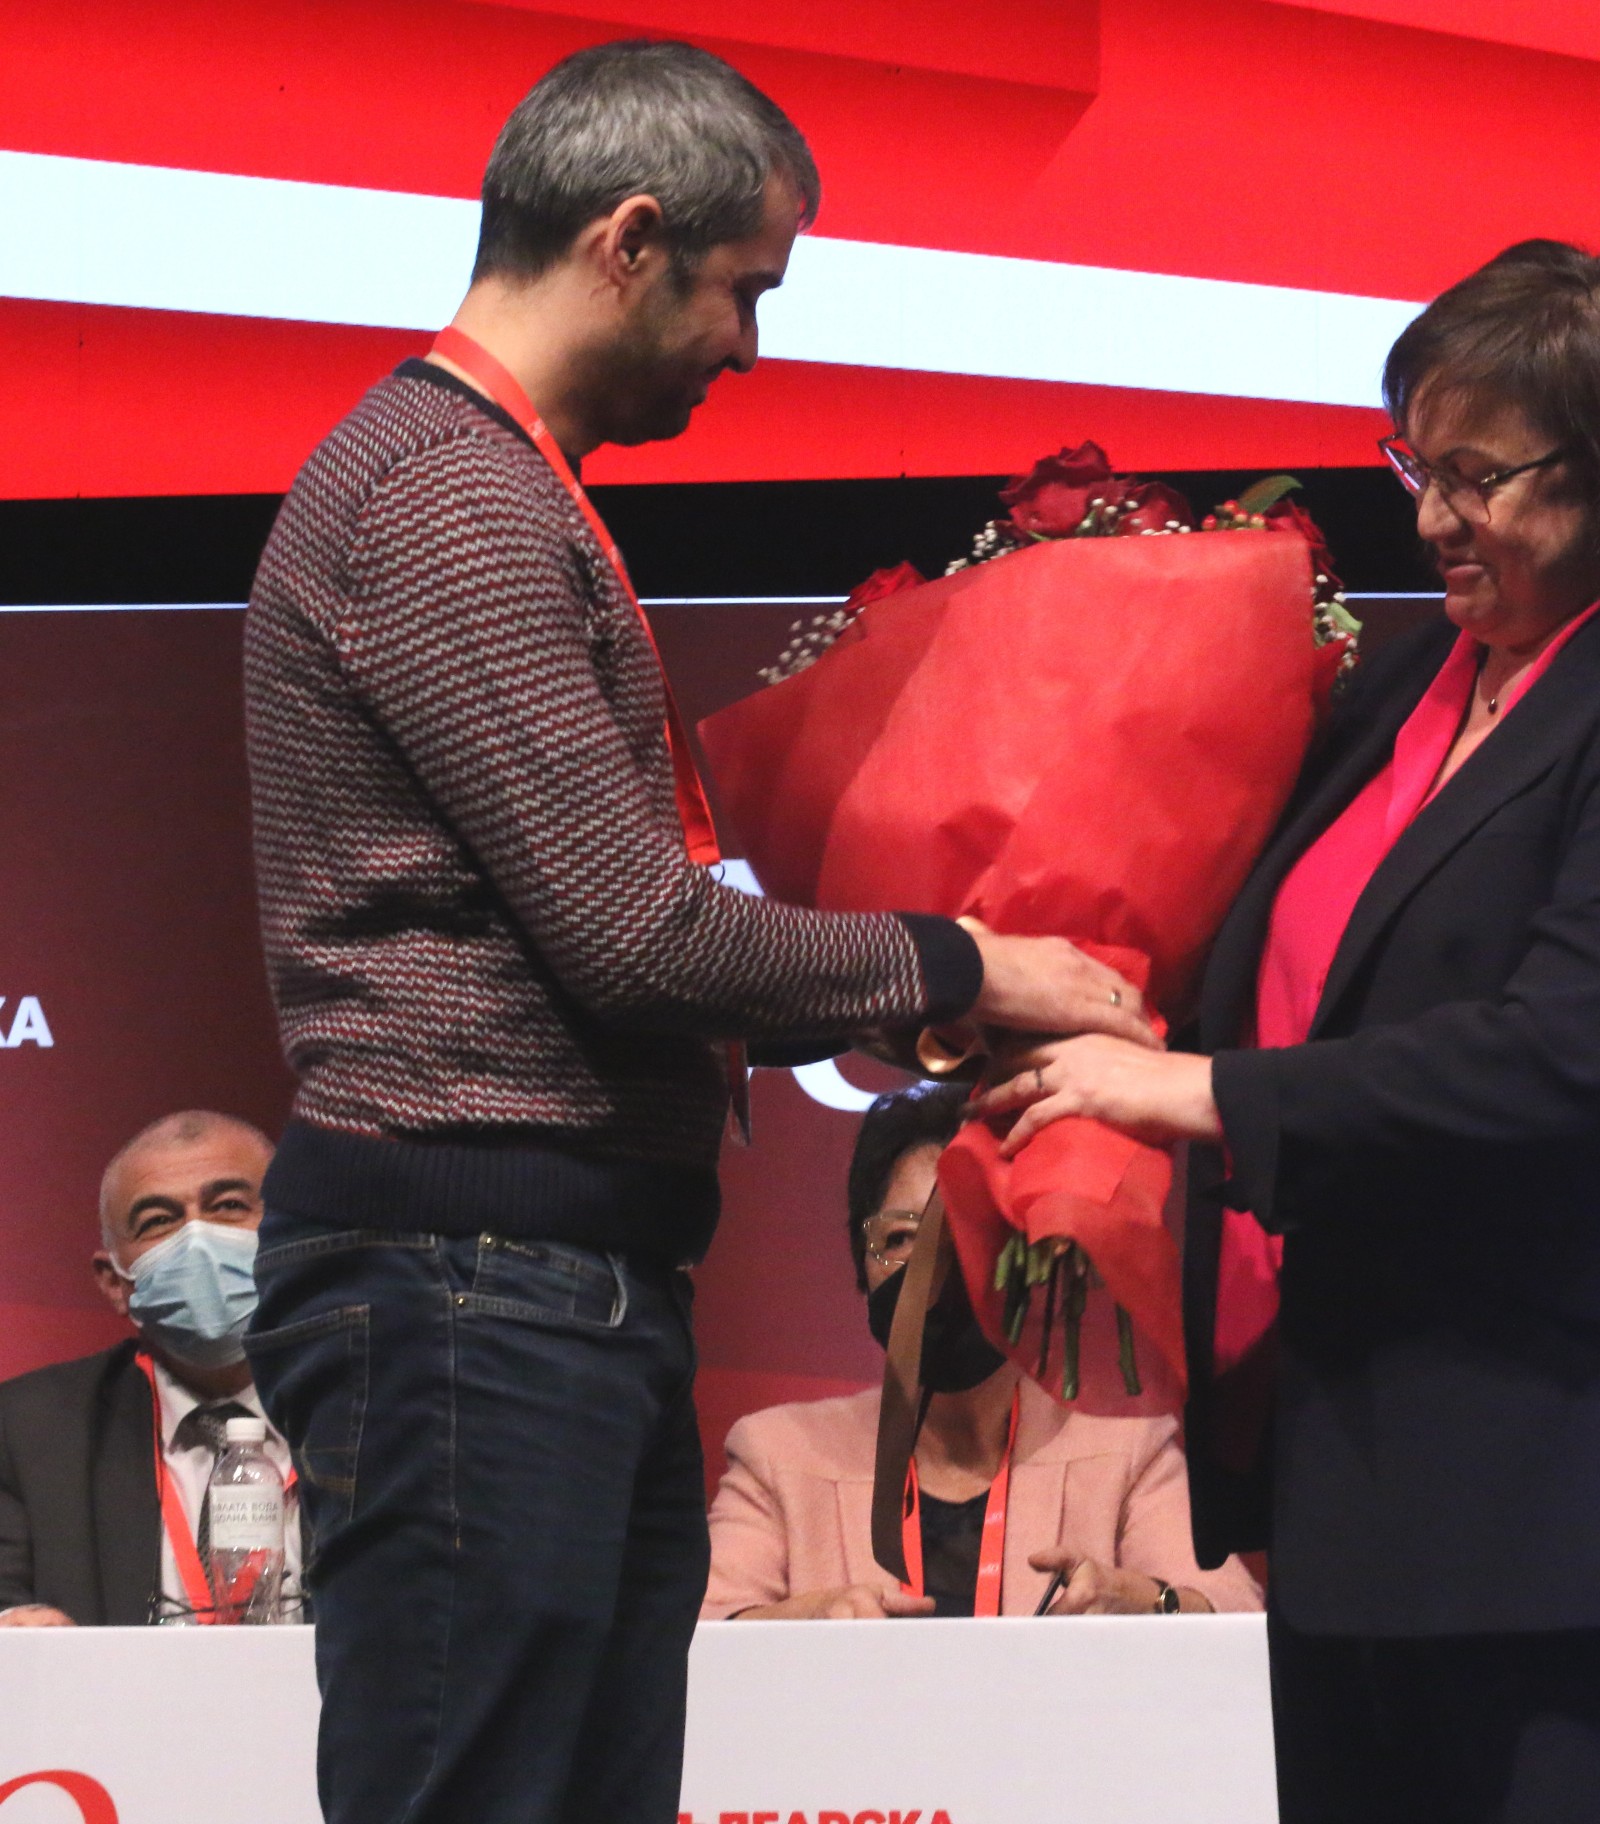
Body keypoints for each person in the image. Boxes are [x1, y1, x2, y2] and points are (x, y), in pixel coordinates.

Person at [238, 41, 1152, 1824]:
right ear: (629, 239)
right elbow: (634, 940)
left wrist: (913, 999)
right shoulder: (449, 496)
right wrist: (968, 963)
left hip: (528, 1285)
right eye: (747, 288)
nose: (749, 346)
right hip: (472, 1287)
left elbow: (616, 941)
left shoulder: (488, 484)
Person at [975, 241, 1600, 1824]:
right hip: (1362, 1479)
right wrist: (1027, 977)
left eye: (1479, 477)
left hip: (1591, 1502)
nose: (1431, 517)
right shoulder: (1400, 694)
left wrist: (1198, 1091)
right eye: (1417, 466)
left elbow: (1562, 1059)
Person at [702, 1085, 1261, 1620]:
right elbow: (697, 1635)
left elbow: (1235, 1616)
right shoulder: (778, 1455)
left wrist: (1151, 1603)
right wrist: (805, 1622)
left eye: (964, 1233)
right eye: (899, 1239)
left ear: (1026, 1265)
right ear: (860, 1269)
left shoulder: (1126, 1449)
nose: (931, 1269)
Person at [0, 1112, 292, 1627]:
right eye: (158, 1221)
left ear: (295, 1239)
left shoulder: (393, 1414)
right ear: (115, 1282)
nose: (198, 1238)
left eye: (228, 1206)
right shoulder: (25, 1431)